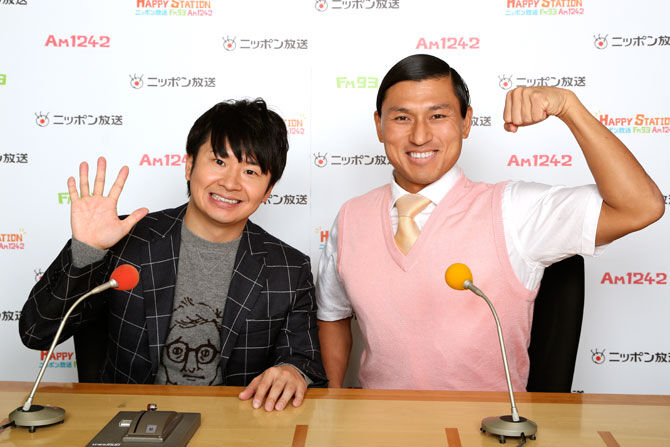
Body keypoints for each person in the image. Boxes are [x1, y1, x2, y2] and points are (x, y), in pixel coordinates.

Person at [316, 54, 665, 391]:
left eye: (438, 116)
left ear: (466, 122)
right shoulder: (350, 218)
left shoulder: (515, 209)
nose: (420, 136)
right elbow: (332, 314)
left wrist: (569, 107)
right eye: (402, 118)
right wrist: (332, 398)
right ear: (379, 125)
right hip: (380, 421)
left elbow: (641, 207)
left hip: (486, 422)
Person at [20, 99, 327, 411]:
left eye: (250, 170)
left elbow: (305, 362)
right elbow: (36, 333)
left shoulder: (288, 269)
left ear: (269, 189)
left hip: (233, 425)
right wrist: (88, 250)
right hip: (125, 422)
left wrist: (293, 372)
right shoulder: (125, 239)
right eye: (219, 162)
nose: (230, 183)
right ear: (189, 165)